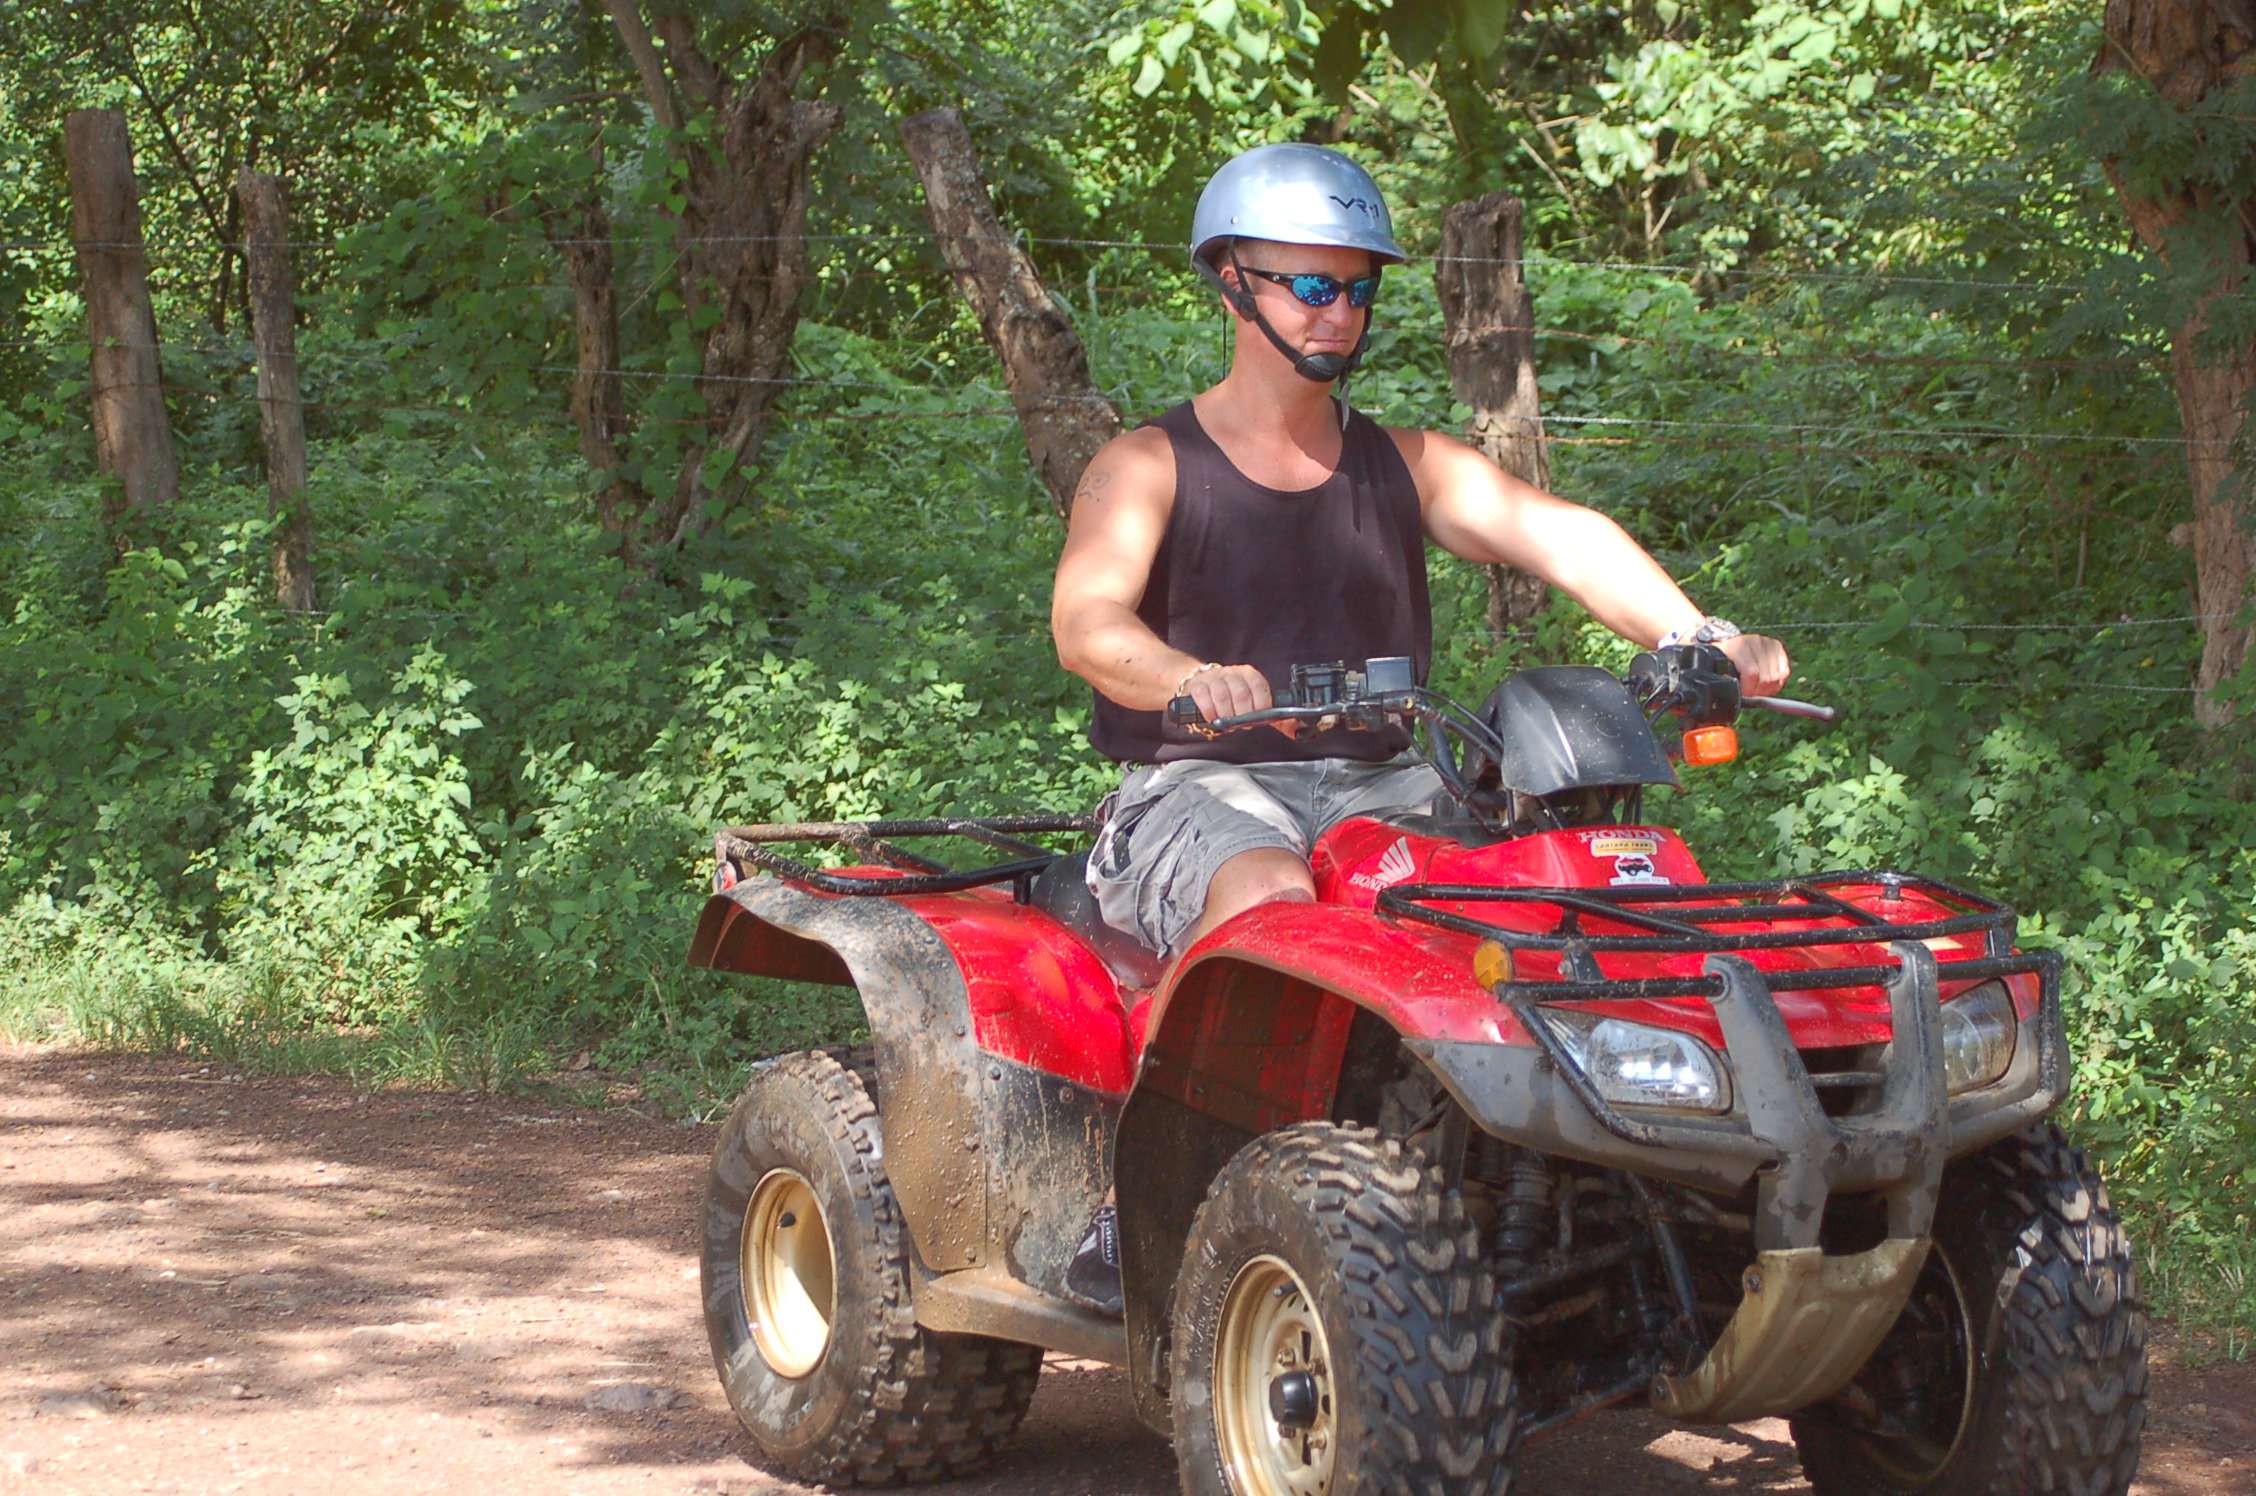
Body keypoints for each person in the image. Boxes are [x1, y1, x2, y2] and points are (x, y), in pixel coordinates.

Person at [1050, 142, 1790, 974]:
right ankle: (1195, 1102)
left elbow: (1564, 538)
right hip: (1195, 789)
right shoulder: (1146, 465)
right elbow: (1088, 622)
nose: (1339, 313)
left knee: (1535, 892)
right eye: (1313, 288)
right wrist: (1187, 679)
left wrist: (1701, 636)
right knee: (1267, 897)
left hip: (1383, 785)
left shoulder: (1408, 464)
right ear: (1232, 283)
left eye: (1359, 289)